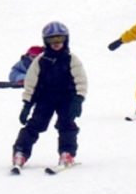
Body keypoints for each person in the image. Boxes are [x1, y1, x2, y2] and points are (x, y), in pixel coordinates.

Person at [11, 22, 87, 170]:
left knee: (67, 125)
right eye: (52, 40)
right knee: (35, 125)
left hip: (66, 99)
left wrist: (78, 99)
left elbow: (81, 80)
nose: (57, 44)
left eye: (60, 39)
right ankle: (21, 151)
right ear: (46, 41)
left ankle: (67, 153)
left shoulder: (72, 59)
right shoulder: (40, 60)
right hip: (45, 99)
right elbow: (31, 82)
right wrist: (27, 104)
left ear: (66, 40)